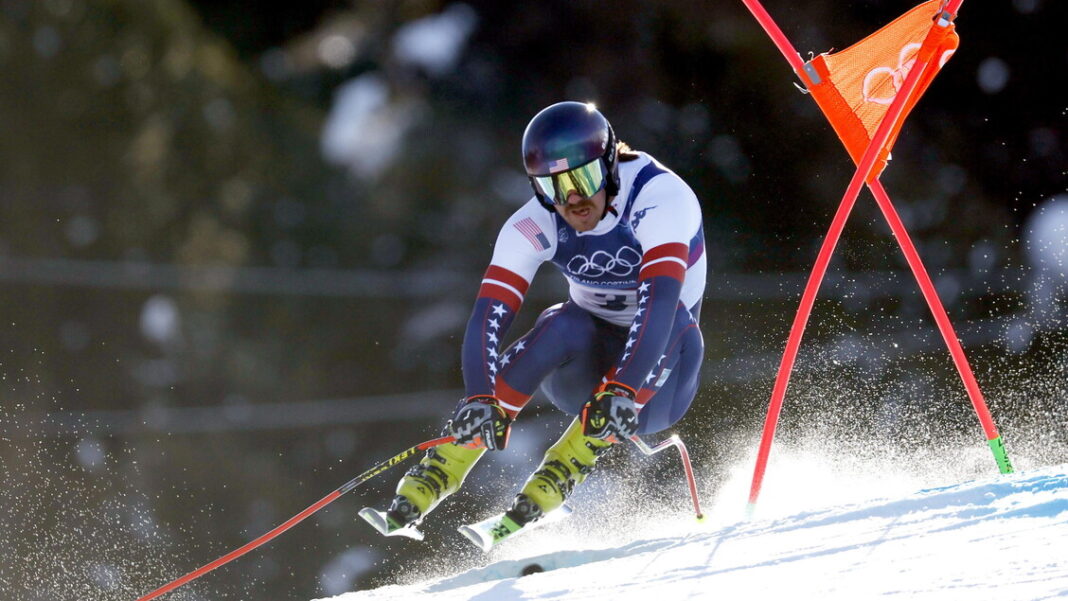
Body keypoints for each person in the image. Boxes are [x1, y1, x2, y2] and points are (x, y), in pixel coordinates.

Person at [364, 101, 706, 538]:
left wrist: (623, 387)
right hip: (582, 372)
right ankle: (439, 470)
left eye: (582, 179)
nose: (572, 200)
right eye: (552, 187)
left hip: (659, 381)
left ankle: (563, 470)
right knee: (562, 322)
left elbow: (659, 303)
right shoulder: (533, 222)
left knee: (676, 318)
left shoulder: (661, 198)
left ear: (611, 165)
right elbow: (489, 313)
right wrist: (479, 397)